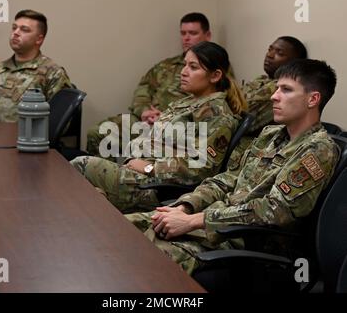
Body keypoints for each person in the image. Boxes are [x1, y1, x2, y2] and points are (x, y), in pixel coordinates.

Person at [126, 59, 340, 275]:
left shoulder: (319, 149)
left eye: (286, 90)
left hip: (242, 239)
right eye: (276, 88)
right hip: (211, 222)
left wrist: (194, 221)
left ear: (313, 99)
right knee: (122, 229)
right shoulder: (271, 134)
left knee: (138, 259)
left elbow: (275, 210)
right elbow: (227, 179)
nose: (274, 96)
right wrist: (185, 207)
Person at [71, 41, 247, 213]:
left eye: (193, 67)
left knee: (81, 165)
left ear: (215, 76)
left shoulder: (217, 116)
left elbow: (200, 168)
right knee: (89, 195)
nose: (183, 72)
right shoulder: (189, 102)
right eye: (185, 65)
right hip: (139, 173)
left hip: (157, 188)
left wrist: (150, 168)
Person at [85, 12, 212, 158]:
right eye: (183, 33)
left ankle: (127, 175)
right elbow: (142, 91)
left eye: (193, 33)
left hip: (175, 127)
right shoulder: (166, 66)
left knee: (142, 146)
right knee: (97, 133)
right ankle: (106, 176)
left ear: (207, 35)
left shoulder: (212, 69)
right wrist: (144, 111)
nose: (186, 38)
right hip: (145, 120)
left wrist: (166, 118)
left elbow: (207, 104)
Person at [0, 9, 72, 122]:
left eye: (24, 30)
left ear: (39, 39)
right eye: (14, 27)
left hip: (28, 139)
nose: (15, 32)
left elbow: (59, 120)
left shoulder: (52, 73)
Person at [228, 36, 307, 169]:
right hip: (220, 138)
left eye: (279, 53)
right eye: (270, 49)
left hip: (243, 151)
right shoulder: (260, 80)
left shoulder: (279, 90)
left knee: (193, 159)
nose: (269, 55)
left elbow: (239, 118)